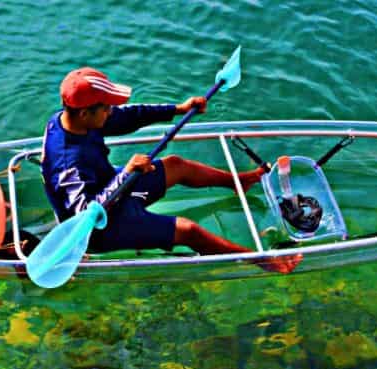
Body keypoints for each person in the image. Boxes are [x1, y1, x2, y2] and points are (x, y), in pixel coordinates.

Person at [40, 67, 300, 273]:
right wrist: (126, 174)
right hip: (98, 228)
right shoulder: (66, 164)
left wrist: (178, 109)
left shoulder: (77, 119)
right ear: (85, 113)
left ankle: (237, 182)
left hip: (111, 186)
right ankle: (264, 262)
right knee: (188, 231)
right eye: (106, 108)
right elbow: (84, 217)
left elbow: (127, 116)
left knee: (176, 164)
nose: (111, 112)